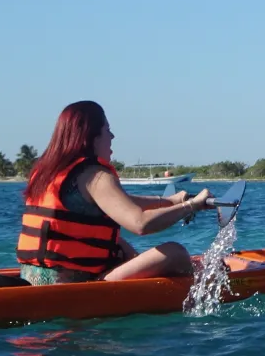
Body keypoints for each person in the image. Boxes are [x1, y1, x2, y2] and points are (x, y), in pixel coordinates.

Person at [18, 101, 213, 284]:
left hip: (32, 278)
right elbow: (141, 224)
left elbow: (120, 202)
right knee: (174, 253)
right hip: (74, 285)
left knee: (119, 244)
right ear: (92, 137)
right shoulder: (94, 175)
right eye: (107, 130)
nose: (112, 137)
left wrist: (171, 201)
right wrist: (191, 206)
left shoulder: (46, 172)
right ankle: (205, 277)